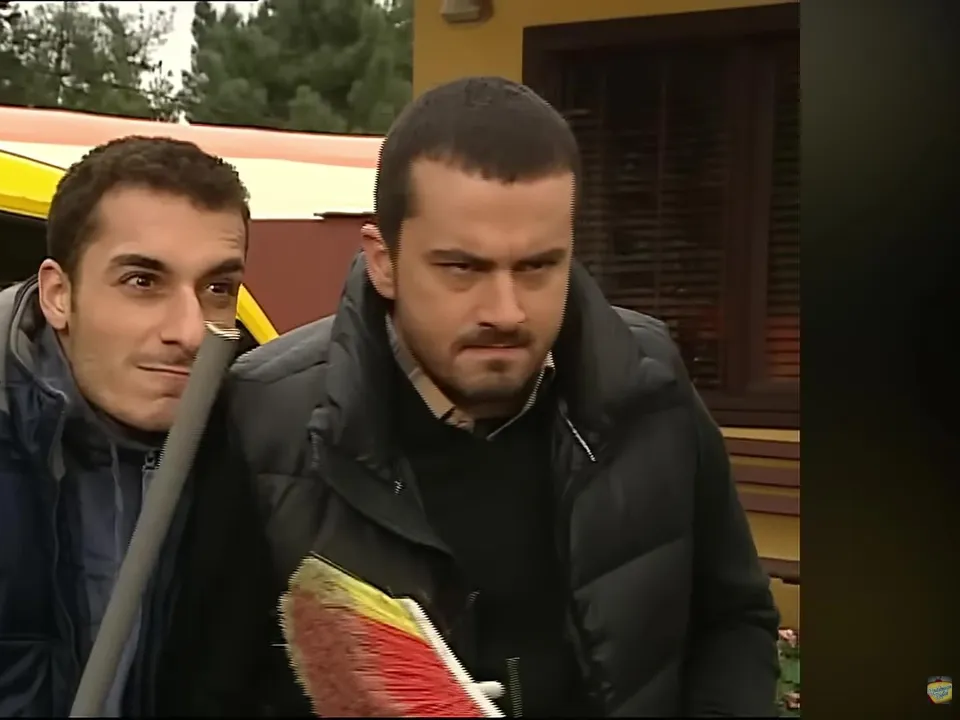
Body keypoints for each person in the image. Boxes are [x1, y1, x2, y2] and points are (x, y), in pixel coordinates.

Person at [221, 76, 782, 716]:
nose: (506, 311)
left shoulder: (649, 380)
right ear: (383, 261)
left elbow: (732, 617)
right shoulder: (264, 417)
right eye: (463, 268)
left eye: (538, 267)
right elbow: (212, 684)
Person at [0, 136, 263, 716]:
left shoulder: (255, 461)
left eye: (218, 289)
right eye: (143, 282)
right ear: (58, 295)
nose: (190, 331)